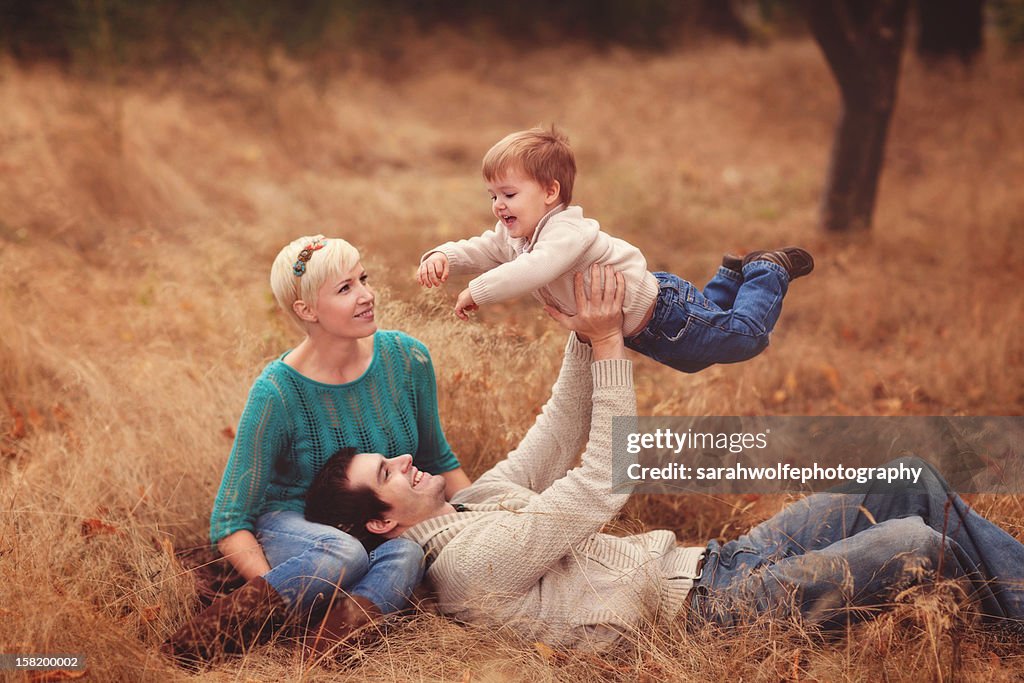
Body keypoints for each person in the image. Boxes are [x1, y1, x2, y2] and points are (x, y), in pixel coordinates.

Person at [308, 265, 1024, 649]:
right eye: (386, 473)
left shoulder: (472, 506)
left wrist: (585, 328)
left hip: (718, 560)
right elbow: (597, 485)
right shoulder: (465, 566)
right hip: (712, 617)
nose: (404, 460)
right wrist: (615, 351)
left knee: (909, 482)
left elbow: (557, 430)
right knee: (916, 545)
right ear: (383, 524)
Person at [162, 235, 471, 664]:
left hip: (369, 527)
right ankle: (184, 651)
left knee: (406, 553)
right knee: (342, 552)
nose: (367, 296)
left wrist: (481, 522)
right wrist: (281, 590)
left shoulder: (407, 359)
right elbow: (229, 520)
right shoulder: (277, 392)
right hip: (291, 525)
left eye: (363, 279)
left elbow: (440, 460)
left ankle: (320, 656)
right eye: (345, 289)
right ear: (306, 310)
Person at [417, 126, 814, 374]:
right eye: (492, 196)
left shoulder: (564, 231)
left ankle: (767, 269)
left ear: (551, 192)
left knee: (745, 339)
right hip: (648, 330)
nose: (498, 205)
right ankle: (729, 275)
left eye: (509, 194)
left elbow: (534, 270)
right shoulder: (518, 234)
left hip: (663, 313)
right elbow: (484, 248)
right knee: (695, 360)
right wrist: (445, 258)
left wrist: (478, 291)